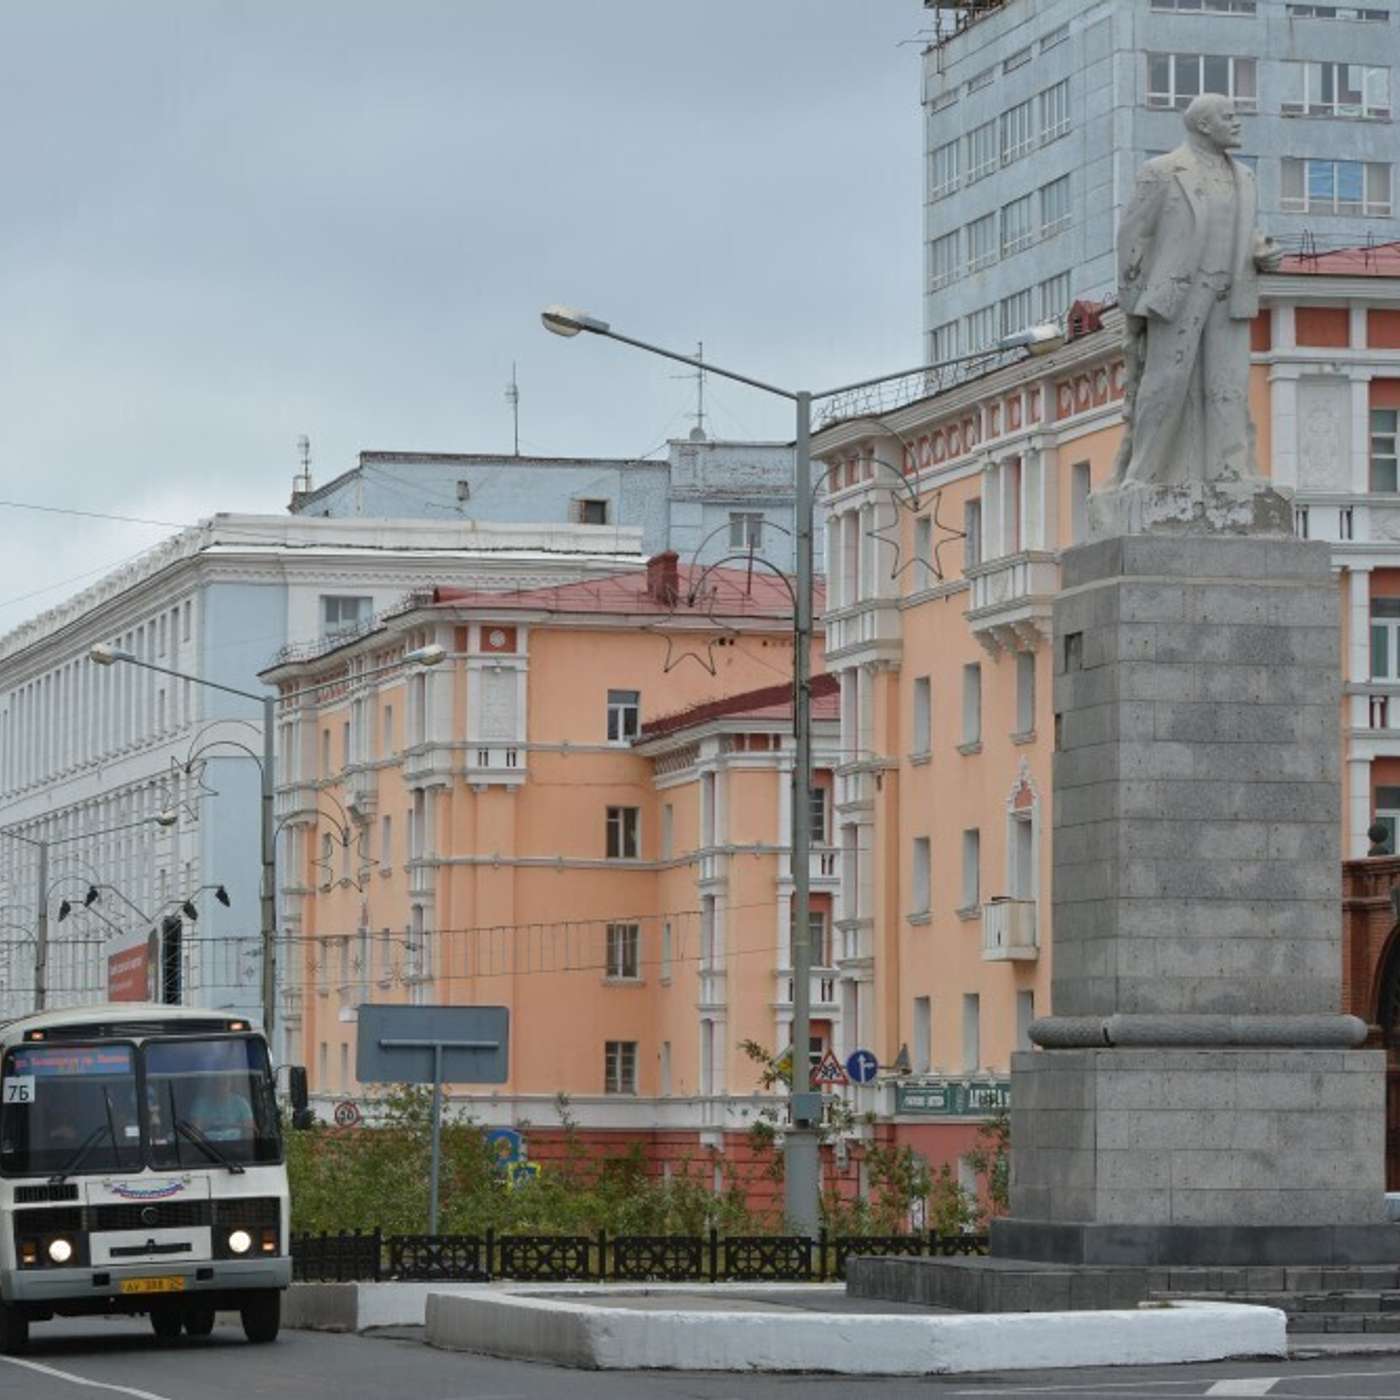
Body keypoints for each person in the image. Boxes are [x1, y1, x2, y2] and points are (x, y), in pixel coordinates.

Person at [1114, 94, 1283, 486]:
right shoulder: (1162, 172)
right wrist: (1133, 307)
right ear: (1205, 126)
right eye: (1229, 118)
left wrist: (1259, 251)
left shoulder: (1245, 176)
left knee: (1229, 386)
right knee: (1165, 383)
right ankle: (1145, 473)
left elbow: (1234, 226)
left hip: (1230, 293)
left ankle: (1230, 471)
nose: (1238, 124)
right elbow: (1133, 238)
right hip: (1177, 294)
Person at [186, 1077, 255, 1142]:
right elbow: (194, 1130)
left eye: (224, 1083)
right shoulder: (200, 1103)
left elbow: (249, 1130)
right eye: (217, 1083)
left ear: (230, 1084)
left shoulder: (241, 1102)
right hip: (207, 1146)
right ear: (212, 1085)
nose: (220, 1087)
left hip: (236, 1145)